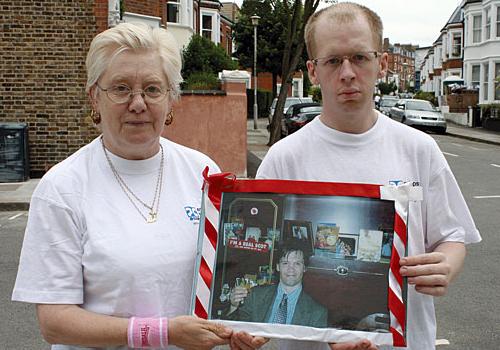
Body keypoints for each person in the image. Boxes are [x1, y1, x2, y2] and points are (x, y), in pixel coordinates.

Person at [11, 23, 265, 350]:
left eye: (153, 89)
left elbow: (225, 279)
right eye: (120, 88)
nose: (138, 103)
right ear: (94, 97)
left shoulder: (203, 171)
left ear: (172, 98)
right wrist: (162, 333)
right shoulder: (63, 188)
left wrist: (244, 323)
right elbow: (55, 321)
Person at [257, 3, 481, 350]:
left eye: (360, 57)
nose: (347, 73)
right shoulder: (283, 159)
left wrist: (446, 264)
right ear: (313, 71)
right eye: (333, 61)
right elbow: (263, 260)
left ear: (383, 63)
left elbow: (452, 236)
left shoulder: (419, 149)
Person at [225, 239, 327, 328]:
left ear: (304, 268)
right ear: (278, 267)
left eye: (297, 263)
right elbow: (235, 333)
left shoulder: (317, 313)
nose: (291, 269)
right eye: (285, 263)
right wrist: (233, 306)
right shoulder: (255, 296)